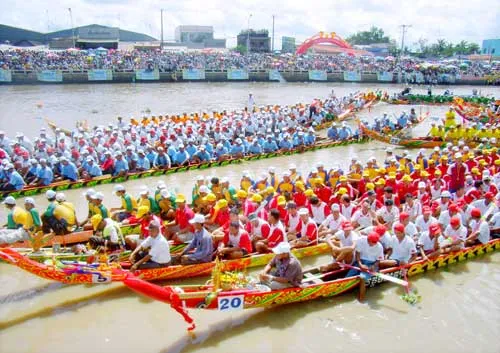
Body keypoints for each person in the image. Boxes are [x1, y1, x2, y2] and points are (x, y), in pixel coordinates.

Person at [345, 232, 384, 301]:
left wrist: (373, 267)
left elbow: (378, 260)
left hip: (371, 263)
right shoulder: (361, 240)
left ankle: (361, 298)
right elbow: (357, 254)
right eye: (373, 242)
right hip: (360, 261)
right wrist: (360, 265)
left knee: (362, 277)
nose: (375, 244)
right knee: (347, 278)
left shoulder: (379, 246)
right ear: (368, 240)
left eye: (376, 242)